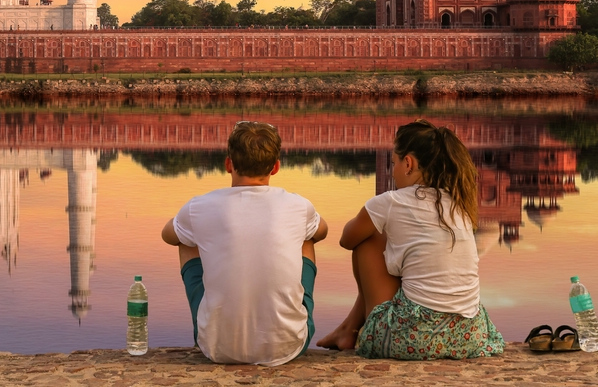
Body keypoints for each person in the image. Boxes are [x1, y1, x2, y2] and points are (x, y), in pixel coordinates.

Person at [316, 119, 504, 359]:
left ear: (408, 163)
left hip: (412, 339)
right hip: (468, 336)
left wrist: (381, 225)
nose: (392, 170)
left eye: (393, 162)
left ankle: (348, 329)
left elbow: (347, 239)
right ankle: (346, 330)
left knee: (369, 239)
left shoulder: (390, 201)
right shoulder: (459, 204)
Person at [161, 121, 328, 365]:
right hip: (289, 346)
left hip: (217, 347)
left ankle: (217, 321)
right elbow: (321, 231)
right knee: (307, 238)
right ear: (276, 167)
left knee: (186, 238)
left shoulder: (199, 206)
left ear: (228, 164)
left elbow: (168, 235)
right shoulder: (298, 205)